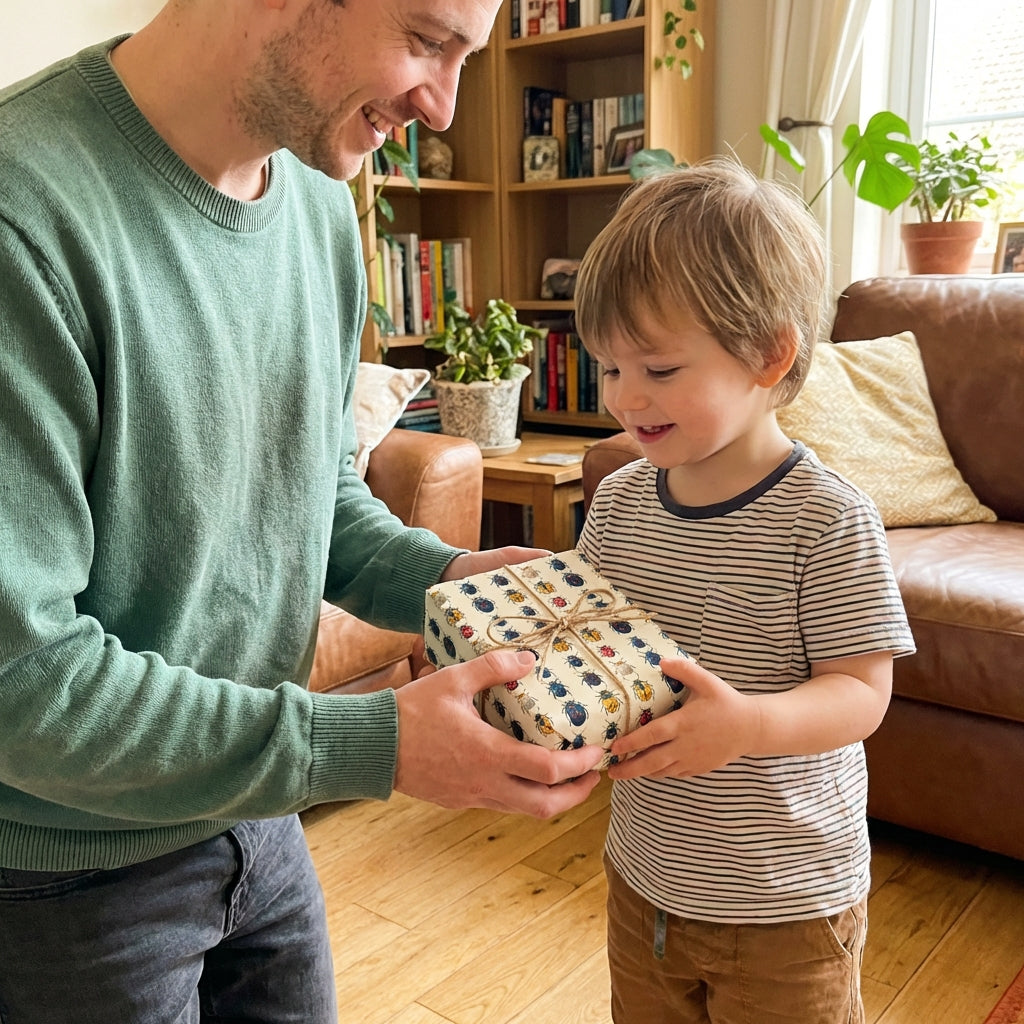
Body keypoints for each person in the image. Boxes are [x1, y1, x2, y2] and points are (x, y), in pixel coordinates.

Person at [0, 2, 603, 1021]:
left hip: (257, 817)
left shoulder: (322, 202)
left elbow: (311, 505)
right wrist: (377, 743)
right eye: (426, 41)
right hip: (72, 877)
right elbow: (21, 679)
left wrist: (454, 579)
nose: (444, 107)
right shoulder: (26, 213)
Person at [572, 159, 916, 1024]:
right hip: (645, 877)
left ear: (769, 355)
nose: (624, 398)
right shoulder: (617, 502)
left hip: (788, 906)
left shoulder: (827, 520)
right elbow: (589, 645)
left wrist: (747, 727)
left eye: (655, 368)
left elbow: (861, 694)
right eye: (609, 369)